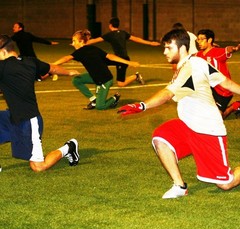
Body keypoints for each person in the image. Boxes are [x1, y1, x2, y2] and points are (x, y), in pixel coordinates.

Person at [118, 29, 240, 199]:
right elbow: (225, 82)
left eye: (169, 47)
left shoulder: (190, 67)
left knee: (225, 183)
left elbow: (168, 93)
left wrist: (142, 105)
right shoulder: (196, 62)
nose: (164, 51)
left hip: (208, 130)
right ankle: (180, 186)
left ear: (182, 48)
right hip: (188, 126)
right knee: (161, 139)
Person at [0, 34, 80, 172]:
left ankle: (69, 148)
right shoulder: (30, 62)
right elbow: (52, 68)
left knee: (38, 167)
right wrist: (69, 72)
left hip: (28, 121)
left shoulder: (2, 67)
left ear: (2, 51)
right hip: (12, 116)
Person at [53, 29, 140, 110]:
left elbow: (66, 58)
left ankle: (115, 98)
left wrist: (52, 65)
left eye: (74, 41)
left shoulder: (85, 51)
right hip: (95, 77)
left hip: (105, 80)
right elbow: (67, 57)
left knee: (100, 106)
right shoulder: (85, 50)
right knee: (76, 80)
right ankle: (94, 100)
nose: (72, 43)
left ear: (81, 41)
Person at [87, 17, 160, 87]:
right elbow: (136, 39)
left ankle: (136, 76)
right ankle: (101, 79)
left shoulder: (110, 35)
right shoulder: (123, 33)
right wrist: (150, 43)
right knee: (100, 62)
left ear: (110, 25)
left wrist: (82, 43)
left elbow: (94, 40)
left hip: (122, 61)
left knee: (121, 83)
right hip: (118, 59)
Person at [196, 29, 240, 119]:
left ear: (209, 40)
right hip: (210, 89)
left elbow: (227, 50)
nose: (199, 42)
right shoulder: (199, 55)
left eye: (202, 39)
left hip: (223, 91)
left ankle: (235, 106)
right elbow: (192, 56)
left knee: (217, 118)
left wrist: (234, 49)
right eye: (198, 39)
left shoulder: (217, 52)